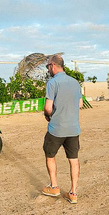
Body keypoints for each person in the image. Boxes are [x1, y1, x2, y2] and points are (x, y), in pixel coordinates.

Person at [41, 54, 83, 204]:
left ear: (52, 65)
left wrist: (47, 115)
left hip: (56, 128)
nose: (48, 69)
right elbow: (80, 105)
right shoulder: (75, 83)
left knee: (50, 155)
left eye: (48, 66)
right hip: (73, 128)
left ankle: (54, 187)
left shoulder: (52, 83)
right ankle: (73, 193)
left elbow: (48, 107)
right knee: (73, 160)